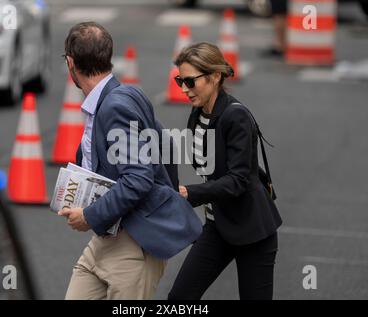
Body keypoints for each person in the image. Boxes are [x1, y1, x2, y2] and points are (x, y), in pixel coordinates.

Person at [58, 22, 202, 300]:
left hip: (132, 245)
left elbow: (137, 178)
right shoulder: (125, 94)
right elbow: (166, 145)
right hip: (106, 240)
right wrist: (166, 196)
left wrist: (90, 215)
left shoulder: (115, 106)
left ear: (71, 63)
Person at [168, 42, 282, 300]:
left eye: (190, 81)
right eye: (179, 81)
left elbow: (238, 180)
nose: (185, 89)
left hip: (253, 231)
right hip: (218, 226)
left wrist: (189, 192)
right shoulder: (197, 115)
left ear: (215, 76)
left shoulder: (235, 116)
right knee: (179, 298)